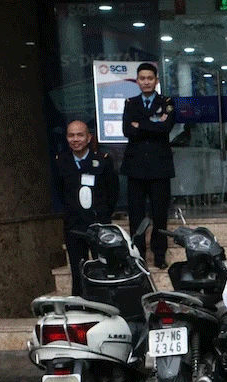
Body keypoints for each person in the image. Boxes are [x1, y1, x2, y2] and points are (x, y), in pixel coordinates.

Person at [121, 62, 176, 270]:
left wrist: (140, 124)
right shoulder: (130, 102)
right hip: (135, 167)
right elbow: (127, 129)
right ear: (137, 81)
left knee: (160, 214)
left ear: (156, 80)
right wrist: (153, 123)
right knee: (136, 215)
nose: (146, 82)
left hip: (159, 168)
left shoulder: (167, 102)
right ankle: (138, 255)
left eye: (150, 78)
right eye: (142, 78)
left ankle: (159, 254)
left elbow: (166, 127)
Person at [56, 119, 118, 298]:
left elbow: (112, 192)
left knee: (103, 268)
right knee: (78, 270)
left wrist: (104, 214)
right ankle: (80, 305)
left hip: (98, 224)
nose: (75, 139)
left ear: (89, 137)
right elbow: (60, 191)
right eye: (71, 135)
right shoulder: (61, 161)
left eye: (80, 135)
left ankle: (105, 303)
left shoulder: (102, 161)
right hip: (74, 225)